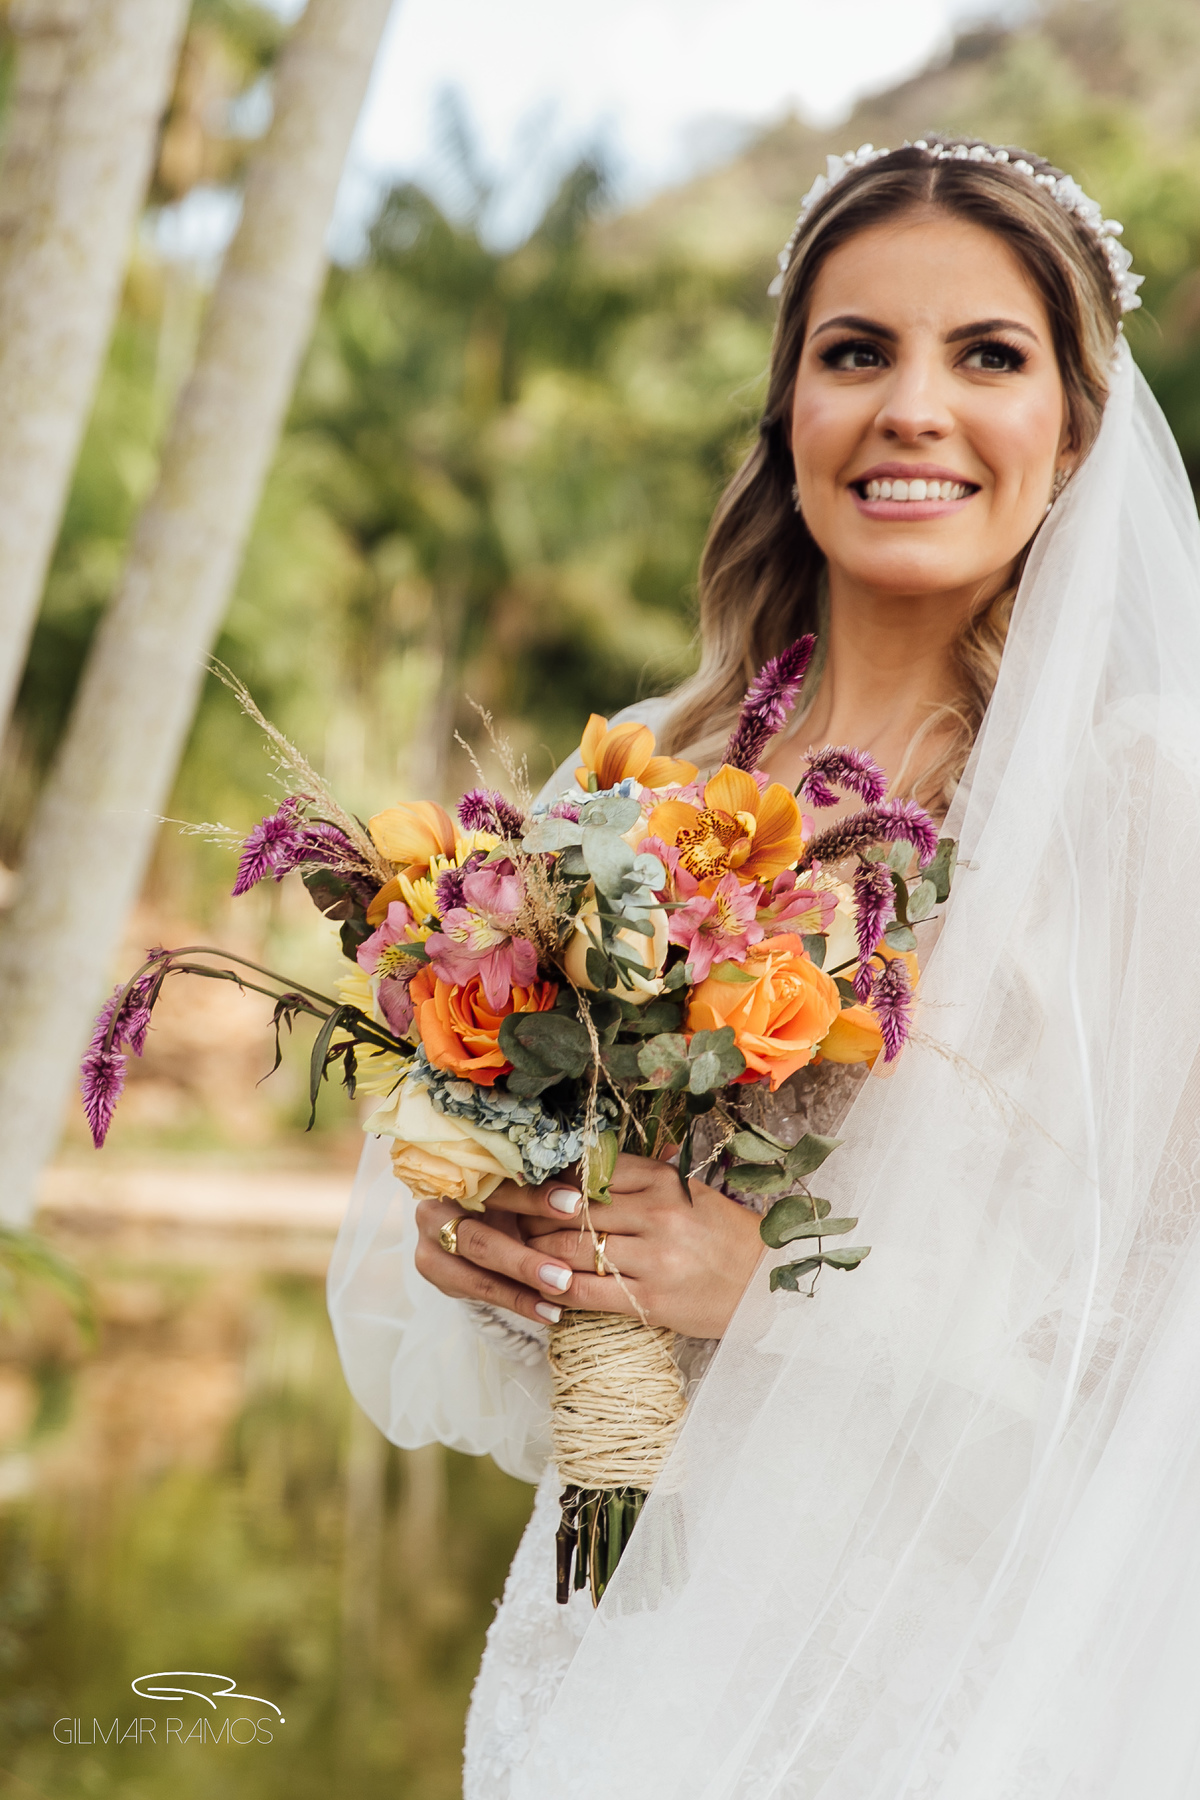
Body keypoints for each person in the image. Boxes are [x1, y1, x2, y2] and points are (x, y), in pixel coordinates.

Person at [329, 136, 1200, 1797]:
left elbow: (1159, 1358)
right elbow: (465, 1207)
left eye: (989, 356)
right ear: (790, 409)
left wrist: (774, 1292)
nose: (912, 409)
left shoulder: (1141, 805)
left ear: (1074, 431)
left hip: (936, 1672)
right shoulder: (633, 776)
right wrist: (494, 1229)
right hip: (612, 1631)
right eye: (855, 351)